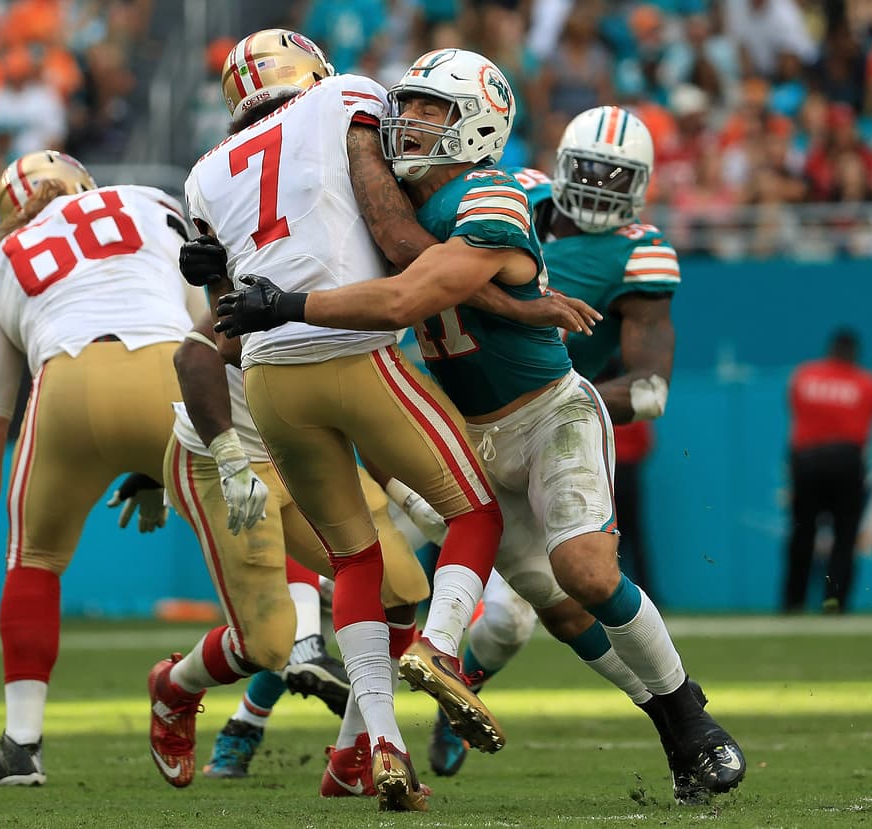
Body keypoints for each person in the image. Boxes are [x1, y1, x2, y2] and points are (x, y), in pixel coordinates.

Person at [214, 55, 746, 804]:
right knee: (560, 613)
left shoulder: (494, 194)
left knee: (587, 574)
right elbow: (311, 217)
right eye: (409, 107)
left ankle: (691, 721)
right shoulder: (405, 201)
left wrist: (287, 306)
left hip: (548, 410)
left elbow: (406, 296)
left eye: (432, 110)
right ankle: (664, 730)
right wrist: (229, 254)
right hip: (469, 430)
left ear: (481, 124)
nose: (410, 121)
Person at [170, 30, 588, 812]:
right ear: (313, 71)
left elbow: (222, 299)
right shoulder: (344, 98)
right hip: (353, 351)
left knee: (355, 561)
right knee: (475, 512)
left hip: (266, 377)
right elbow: (396, 237)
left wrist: (215, 265)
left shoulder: (202, 174)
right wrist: (512, 298)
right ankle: (438, 648)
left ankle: (373, 749)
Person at [430, 108, 705, 793]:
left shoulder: (639, 252)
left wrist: (551, 393)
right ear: (562, 164)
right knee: (402, 577)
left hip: (552, 429)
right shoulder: (510, 196)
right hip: (453, 422)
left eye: (619, 176)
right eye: (591, 170)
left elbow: (648, 390)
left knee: (539, 609)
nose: (603, 186)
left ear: (641, 185)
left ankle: (462, 684)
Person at [0, 149, 205, 787]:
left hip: (65, 389)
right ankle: (309, 634)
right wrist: (168, 454)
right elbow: (207, 330)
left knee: (34, 560)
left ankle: (22, 745)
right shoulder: (146, 205)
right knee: (262, 525)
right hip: (170, 375)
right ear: (85, 183)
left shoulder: (0, 261)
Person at [145, 311, 432, 793]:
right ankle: (174, 686)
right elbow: (194, 354)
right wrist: (230, 457)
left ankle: (351, 759)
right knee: (268, 646)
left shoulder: (371, 289)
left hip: (303, 454)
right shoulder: (276, 263)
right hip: (223, 462)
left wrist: (409, 497)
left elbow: (366, 409)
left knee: (400, 589)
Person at [783, 329, 872, 614]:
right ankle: (834, 604)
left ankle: (793, 603)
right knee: (844, 537)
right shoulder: (866, 383)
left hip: (806, 460)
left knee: (802, 534)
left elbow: (793, 406)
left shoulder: (805, 376)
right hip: (847, 461)